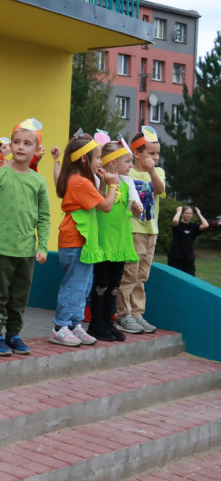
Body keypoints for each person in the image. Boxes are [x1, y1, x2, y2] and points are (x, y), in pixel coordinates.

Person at [0, 119, 51, 357]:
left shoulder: (38, 181)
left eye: (27, 143)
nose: (20, 147)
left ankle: (14, 334)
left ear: (37, 150)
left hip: (26, 250)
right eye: (16, 142)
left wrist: (42, 246)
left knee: (19, 296)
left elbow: (44, 217)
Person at [51, 131, 116, 348]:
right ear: (83, 159)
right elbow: (106, 206)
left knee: (84, 285)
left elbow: (97, 198)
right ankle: (60, 326)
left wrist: (103, 183)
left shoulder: (78, 180)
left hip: (80, 242)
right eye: (97, 157)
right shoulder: (80, 182)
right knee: (75, 285)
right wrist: (113, 184)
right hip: (75, 241)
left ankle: (74, 324)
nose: (100, 161)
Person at [86, 139, 143, 342]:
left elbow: (135, 210)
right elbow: (97, 202)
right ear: (112, 163)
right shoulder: (97, 179)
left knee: (114, 285)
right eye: (127, 161)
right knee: (100, 284)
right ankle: (96, 323)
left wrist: (137, 210)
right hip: (103, 241)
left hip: (120, 241)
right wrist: (105, 183)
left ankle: (108, 322)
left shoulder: (127, 183)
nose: (130, 165)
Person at [116, 126, 165, 334]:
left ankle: (137, 313)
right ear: (136, 153)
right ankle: (123, 314)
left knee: (142, 276)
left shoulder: (158, 172)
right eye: (151, 153)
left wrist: (152, 170)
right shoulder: (128, 172)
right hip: (133, 229)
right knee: (129, 273)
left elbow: (160, 190)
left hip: (150, 231)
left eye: (157, 154)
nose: (155, 158)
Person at [168, 206, 209, 275]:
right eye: (186, 213)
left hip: (189, 258)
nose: (188, 215)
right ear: (182, 214)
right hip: (175, 258)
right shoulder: (178, 225)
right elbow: (175, 220)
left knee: (190, 279)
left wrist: (199, 214)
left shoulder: (193, 227)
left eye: (190, 213)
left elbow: (206, 225)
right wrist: (178, 211)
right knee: (174, 279)